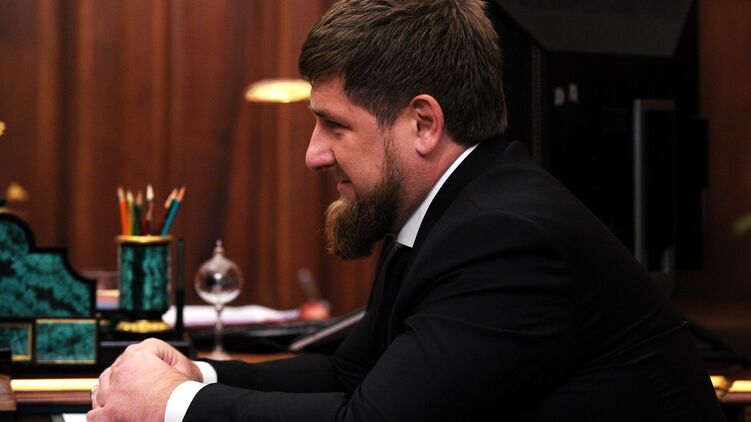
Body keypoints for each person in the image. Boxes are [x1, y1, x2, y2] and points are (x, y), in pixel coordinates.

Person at [88, 1, 725, 421]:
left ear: (422, 123)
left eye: (335, 126)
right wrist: (196, 372)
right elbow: (350, 373)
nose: (313, 155)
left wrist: (175, 407)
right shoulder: (443, 210)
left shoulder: (504, 235)